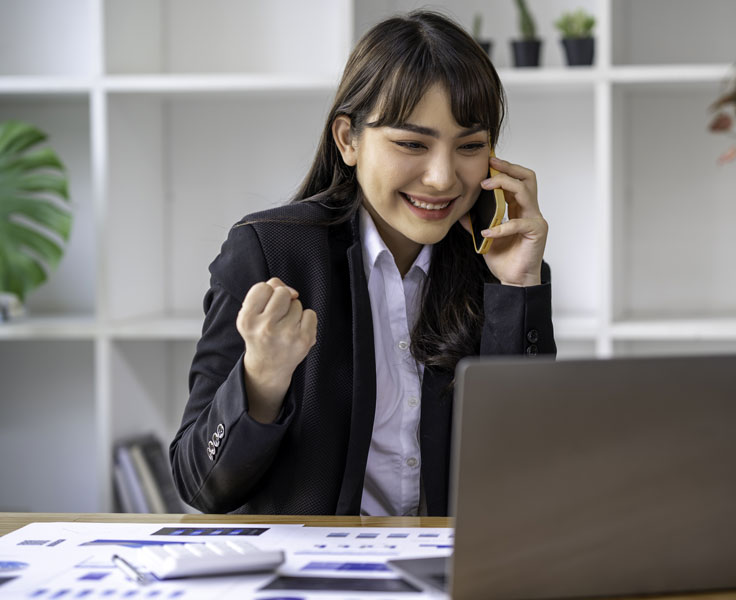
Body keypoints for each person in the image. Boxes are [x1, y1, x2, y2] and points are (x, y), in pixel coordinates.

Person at [169, 10, 556, 517]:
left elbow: (527, 475)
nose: (442, 178)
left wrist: (519, 289)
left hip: (454, 577)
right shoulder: (268, 252)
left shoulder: (499, 263)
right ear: (349, 140)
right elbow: (200, 486)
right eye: (412, 144)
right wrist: (261, 378)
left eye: (470, 146)